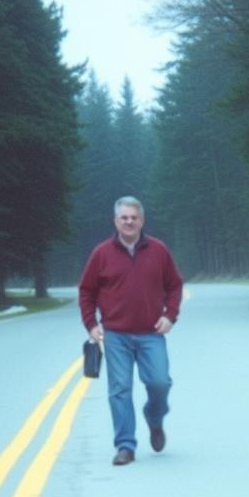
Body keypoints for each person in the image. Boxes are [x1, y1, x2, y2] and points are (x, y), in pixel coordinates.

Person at [78, 196, 184, 466]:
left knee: (160, 383)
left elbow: (174, 285)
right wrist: (91, 323)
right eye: (124, 217)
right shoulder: (101, 253)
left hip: (152, 333)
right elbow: (86, 291)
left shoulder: (159, 250)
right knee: (120, 390)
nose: (129, 221)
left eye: (134, 217)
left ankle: (154, 418)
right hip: (116, 335)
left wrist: (170, 316)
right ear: (115, 221)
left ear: (142, 220)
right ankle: (125, 445)